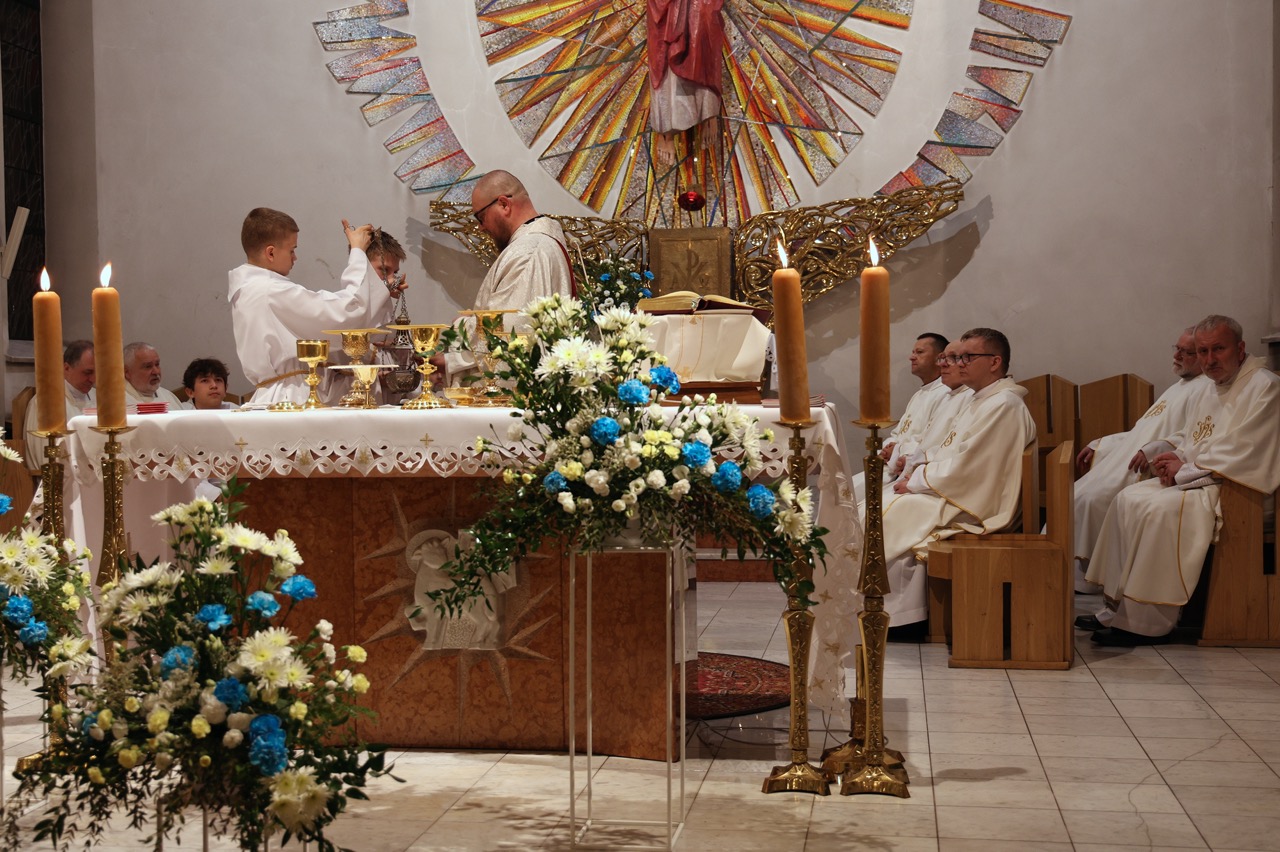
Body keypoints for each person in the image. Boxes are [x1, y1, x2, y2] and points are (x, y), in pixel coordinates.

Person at [1082, 315, 1280, 646]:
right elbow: (1194, 438)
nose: (1209, 360)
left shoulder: (1265, 386)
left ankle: (1146, 623)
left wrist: (1185, 468)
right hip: (1206, 479)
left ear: (1240, 348)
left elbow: (1247, 450)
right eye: (1202, 351)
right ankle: (1118, 608)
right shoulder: (1211, 387)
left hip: (1240, 491)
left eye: (1218, 349)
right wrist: (1173, 459)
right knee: (1128, 498)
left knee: (1158, 511)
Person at [876, 328, 1036, 626]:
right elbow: (947, 451)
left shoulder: (1003, 405)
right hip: (961, 491)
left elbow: (969, 468)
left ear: (994, 362)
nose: (959, 363)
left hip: (977, 503)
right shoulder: (982, 400)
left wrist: (916, 480)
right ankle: (887, 607)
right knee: (883, 505)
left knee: (892, 512)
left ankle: (903, 617)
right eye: (958, 357)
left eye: (967, 357)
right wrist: (914, 473)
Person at [1071, 329, 1207, 593]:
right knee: (1076, 493)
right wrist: (1101, 444)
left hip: (1145, 467)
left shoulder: (1204, 389)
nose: (1177, 356)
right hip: (1130, 458)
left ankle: (1089, 579)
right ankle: (1069, 573)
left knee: (1091, 499)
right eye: (1176, 348)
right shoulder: (1176, 388)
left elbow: (1189, 437)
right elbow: (1139, 432)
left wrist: (1154, 449)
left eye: (1186, 352)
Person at [228, 207, 406, 407]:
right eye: (292, 250)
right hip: (292, 396)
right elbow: (346, 314)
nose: (295, 257)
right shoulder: (270, 291)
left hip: (280, 393)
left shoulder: (248, 289)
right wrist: (357, 252)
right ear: (271, 252)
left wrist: (379, 292)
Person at [442, 172, 573, 383]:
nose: (481, 227)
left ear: (504, 204)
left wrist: (461, 327)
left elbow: (511, 330)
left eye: (480, 217)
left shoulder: (528, 251)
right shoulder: (540, 243)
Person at [853, 333, 950, 504]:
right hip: (892, 466)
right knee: (845, 491)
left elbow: (933, 441)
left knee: (860, 504)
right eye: (913, 352)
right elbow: (899, 433)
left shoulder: (946, 393)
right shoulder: (919, 394)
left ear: (939, 358)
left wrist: (897, 451)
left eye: (919, 352)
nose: (911, 357)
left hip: (908, 470)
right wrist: (887, 449)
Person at [22, 340, 95, 472]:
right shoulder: (47, 402)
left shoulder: (100, 397)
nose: (93, 379)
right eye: (88, 372)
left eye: (97, 372)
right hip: (61, 478)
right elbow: (43, 458)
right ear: (66, 368)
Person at [123, 342, 184, 408]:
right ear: (127, 372)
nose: (156, 372)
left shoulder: (168, 396)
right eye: (148, 366)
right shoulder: (119, 402)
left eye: (157, 364)